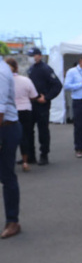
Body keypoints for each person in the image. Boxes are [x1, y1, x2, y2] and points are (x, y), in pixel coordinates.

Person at [26, 47, 63, 165]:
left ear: (39, 56)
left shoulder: (45, 69)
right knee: (28, 131)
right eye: (30, 55)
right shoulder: (31, 69)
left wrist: (47, 97)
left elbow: (57, 85)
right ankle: (30, 155)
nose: (31, 58)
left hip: (41, 104)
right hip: (30, 103)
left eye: (33, 55)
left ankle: (44, 155)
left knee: (43, 131)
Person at [0, 59, 22, 239]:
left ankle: (12, 221)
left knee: (7, 176)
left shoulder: (1, 71)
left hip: (5, 128)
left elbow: (0, 109)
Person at [6, 58, 37, 172]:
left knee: (9, 137)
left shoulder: (3, 81)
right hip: (25, 109)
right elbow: (34, 95)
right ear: (17, 68)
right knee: (25, 136)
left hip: (9, 111)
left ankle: (9, 161)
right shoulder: (25, 80)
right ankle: (25, 161)